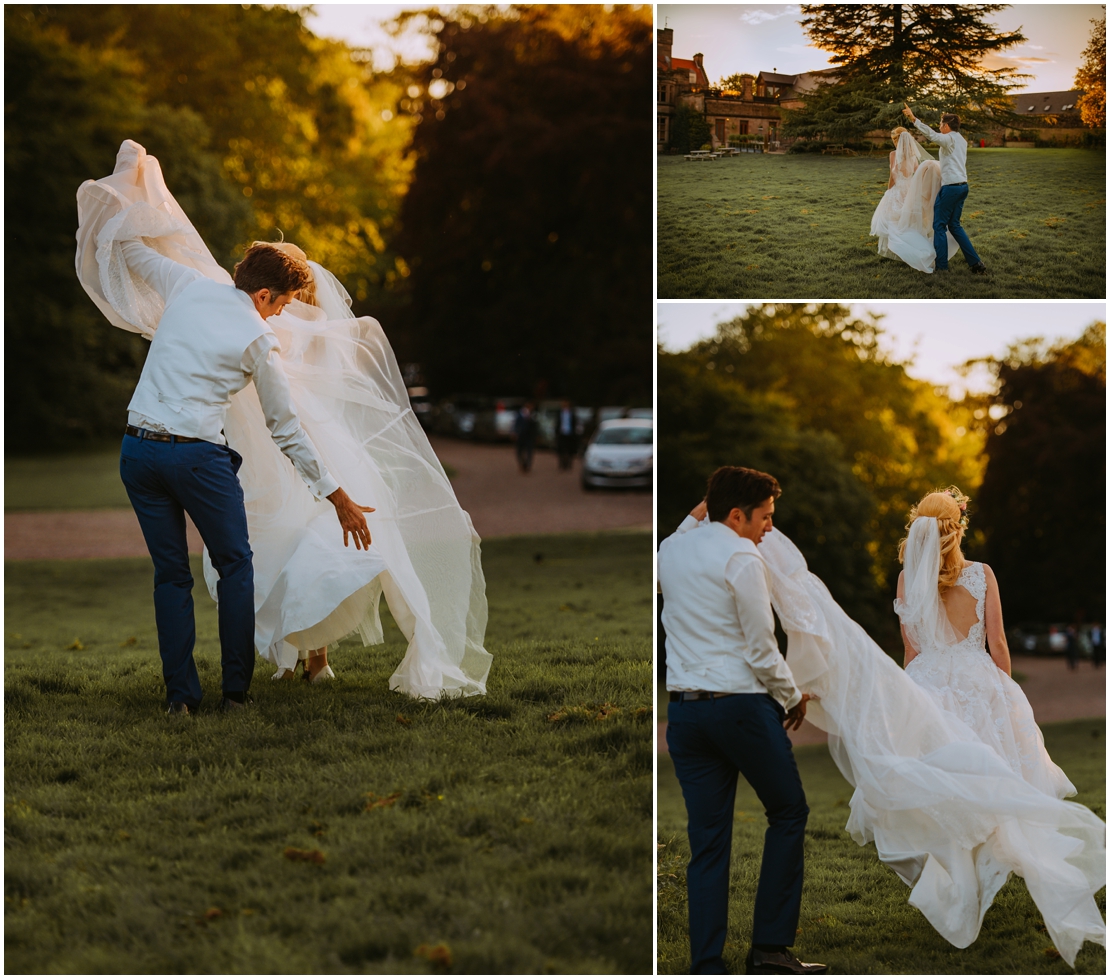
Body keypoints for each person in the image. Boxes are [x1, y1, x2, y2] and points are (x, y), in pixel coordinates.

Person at [76, 140, 492, 702]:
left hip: (138, 452)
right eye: (282, 304)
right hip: (196, 456)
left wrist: (135, 185)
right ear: (266, 293)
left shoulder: (188, 285)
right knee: (236, 565)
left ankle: (181, 698)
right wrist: (337, 496)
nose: (281, 316)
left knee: (170, 575)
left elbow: (133, 250)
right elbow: (286, 430)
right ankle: (235, 693)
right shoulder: (258, 339)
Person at [749, 491, 1105, 967]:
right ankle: (978, 875)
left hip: (928, 689)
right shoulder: (982, 575)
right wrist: (1008, 693)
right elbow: (997, 642)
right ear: (958, 526)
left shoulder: (905, 580)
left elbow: (912, 652)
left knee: (941, 787)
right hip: (981, 685)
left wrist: (902, 702)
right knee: (995, 780)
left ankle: (957, 877)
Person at [659, 466, 827, 976]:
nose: (769, 529)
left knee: (708, 841)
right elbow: (761, 646)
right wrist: (791, 695)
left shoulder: (670, 551)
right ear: (738, 515)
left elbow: (694, 519)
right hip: (740, 708)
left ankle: (707, 964)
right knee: (788, 811)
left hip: (685, 716)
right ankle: (770, 951)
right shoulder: (742, 556)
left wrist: (713, 494)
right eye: (765, 517)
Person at [901, 105, 988, 275]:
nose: (939, 127)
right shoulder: (961, 140)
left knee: (939, 225)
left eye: (941, 124)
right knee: (954, 225)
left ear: (947, 126)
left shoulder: (949, 139)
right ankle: (976, 263)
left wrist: (913, 119)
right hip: (963, 186)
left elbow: (931, 135)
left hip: (951, 188)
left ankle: (941, 267)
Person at [869, 127, 959, 273]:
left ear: (897, 140)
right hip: (910, 191)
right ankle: (915, 246)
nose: (893, 143)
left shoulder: (893, 154)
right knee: (908, 221)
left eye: (894, 140)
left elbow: (892, 176)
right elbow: (916, 175)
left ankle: (907, 249)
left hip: (898, 190)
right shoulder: (913, 156)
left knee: (893, 222)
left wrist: (888, 190)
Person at [514, 401, 538, 473]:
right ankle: (522, 464)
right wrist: (516, 433)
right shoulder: (520, 414)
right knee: (520, 451)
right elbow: (516, 424)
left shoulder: (532, 415)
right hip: (521, 435)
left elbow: (534, 426)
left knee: (529, 451)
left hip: (529, 436)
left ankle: (527, 465)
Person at [555, 399, 578, 470]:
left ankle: (568, 464)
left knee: (570, 450)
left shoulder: (571, 413)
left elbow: (574, 423)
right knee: (561, 450)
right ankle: (562, 464)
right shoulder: (559, 413)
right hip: (562, 434)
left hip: (570, 434)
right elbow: (557, 423)